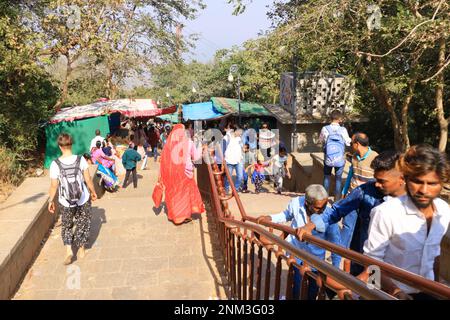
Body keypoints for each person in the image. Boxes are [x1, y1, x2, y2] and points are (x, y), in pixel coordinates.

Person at [363, 144, 450, 300]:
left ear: (442, 184)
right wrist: (391, 292)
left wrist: (437, 288)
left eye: (432, 184)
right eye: (417, 181)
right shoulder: (385, 212)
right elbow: (371, 263)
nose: (424, 190)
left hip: (429, 293)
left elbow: (435, 254)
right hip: (391, 294)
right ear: (406, 179)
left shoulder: (444, 211)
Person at [298, 151, 406, 275]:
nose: (377, 184)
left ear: (401, 179)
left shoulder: (415, 203)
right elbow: (336, 211)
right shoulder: (365, 191)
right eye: (376, 179)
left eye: (382, 181)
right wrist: (310, 226)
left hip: (399, 271)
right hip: (367, 264)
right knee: (370, 291)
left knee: (388, 293)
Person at [256, 185, 341, 300]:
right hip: (296, 256)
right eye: (318, 208)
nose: (322, 210)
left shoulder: (329, 214)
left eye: (324, 205)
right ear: (307, 203)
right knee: (296, 289)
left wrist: (335, 271)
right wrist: (270, 218)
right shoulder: (296, 203)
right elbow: (287, 214)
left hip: (315, 261)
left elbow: (336, 245)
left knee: (311, 293)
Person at [48, 133, 98, 265]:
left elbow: (54, 185)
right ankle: (81, 250)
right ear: (71, 144)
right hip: (82, 198)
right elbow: (88, 179)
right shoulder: (80, 159)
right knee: (83, 222)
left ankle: (69, 250)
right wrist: (93, 192)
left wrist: (50, 201)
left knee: (67, 225)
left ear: (60, 146)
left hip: (65, 201)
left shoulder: (55, 164)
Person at [158, 124, 205, 225]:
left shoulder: (169, 144)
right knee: (184, 194)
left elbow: (164, 159)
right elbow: (196, 157)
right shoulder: (189, 142)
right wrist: (200, 145)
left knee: (175, 194)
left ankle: (176, 215)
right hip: (186, 172)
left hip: (171, 173)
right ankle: (183, 216)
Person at [319, 110, 351, 201]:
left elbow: (321, 140)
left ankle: (324, 199)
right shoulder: (343, 130)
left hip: (328, 158)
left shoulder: (325, 128)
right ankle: (336, 200)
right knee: (338, 179)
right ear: (340, 119)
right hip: (339, 158)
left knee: (326, 177)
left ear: (331, 118)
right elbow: (348, 143)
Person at [224, 129, 243, 194]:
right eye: (240, 132)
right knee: (228, 176)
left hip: (238, 160)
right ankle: (226, 189)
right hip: (229, 160)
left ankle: (236, 189)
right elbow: (222, 147)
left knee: (240, 176)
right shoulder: (227, 137)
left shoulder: (239, 138)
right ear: (235, 131)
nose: (240, 133)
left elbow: (241, 148)